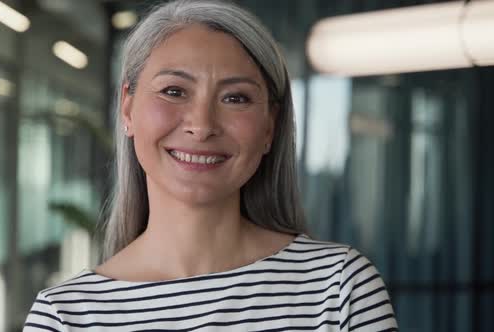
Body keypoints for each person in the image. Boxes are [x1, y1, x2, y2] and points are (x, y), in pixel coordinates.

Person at [24, 0, 398, 331]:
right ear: (127, 108)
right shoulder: (66, 316)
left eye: (236, 98)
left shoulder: (339, 290)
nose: (202, 126)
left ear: (269, 127)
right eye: (174, 91)